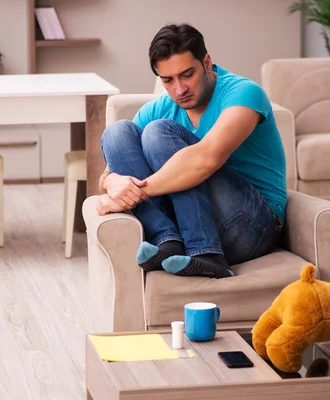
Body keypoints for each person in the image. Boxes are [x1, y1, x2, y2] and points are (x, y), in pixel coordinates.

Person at [97, 23, 287, 279]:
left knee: (157, 132)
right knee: (117, 133)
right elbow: (108, 175)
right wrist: (113, 183)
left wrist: (133, 193)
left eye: (187, 75)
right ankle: (167, 240)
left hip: (251, 224)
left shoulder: (244, 94)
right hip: (185, 227)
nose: (179, 89)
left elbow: (205, 160)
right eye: (168, 80)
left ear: (206, 62)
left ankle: (207, 253)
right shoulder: (159, 107)